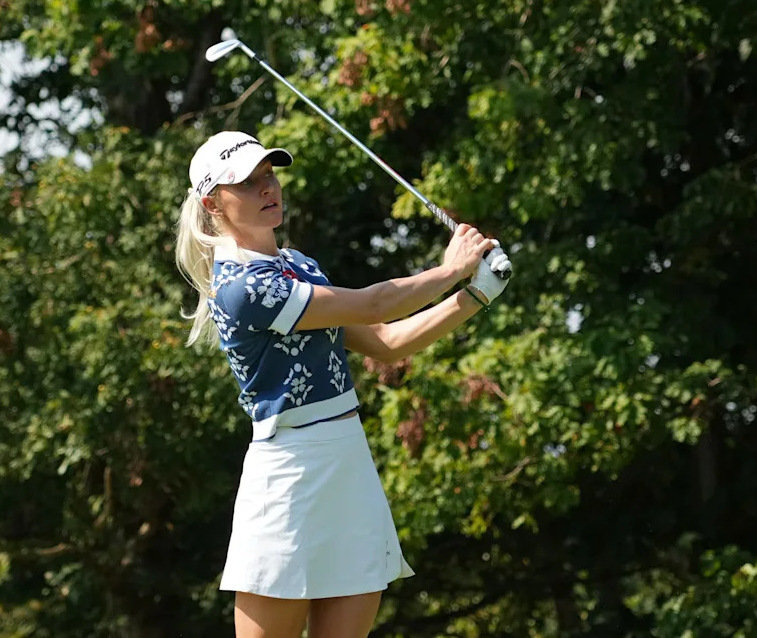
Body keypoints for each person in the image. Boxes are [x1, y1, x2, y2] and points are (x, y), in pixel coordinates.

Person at [174, 131, 512, 638]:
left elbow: (385, 339)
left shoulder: (298, 266)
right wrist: (451, 269)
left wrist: (475, 294)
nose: (267, 188)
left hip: (347, 461)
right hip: (289, 474)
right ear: (212, 203)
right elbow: (375, 303)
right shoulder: (244, 288)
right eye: (246, 182)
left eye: (269, 175)